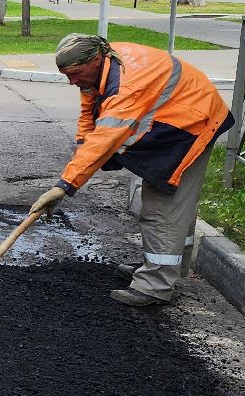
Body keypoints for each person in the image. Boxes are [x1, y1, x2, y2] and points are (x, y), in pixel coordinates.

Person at [32, 34, 230, 307]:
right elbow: (89, 117)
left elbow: (105, 138)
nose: (72, 81)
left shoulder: (127, 85)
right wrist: (81, 151)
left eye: (75, 74)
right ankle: (160, 264)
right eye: (67, 75)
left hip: (191, 125)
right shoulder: (101, 66)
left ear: (95, 60)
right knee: (168, 205)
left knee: (163, 207)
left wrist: (64, 186)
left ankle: (155, 285)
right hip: (174, 118)